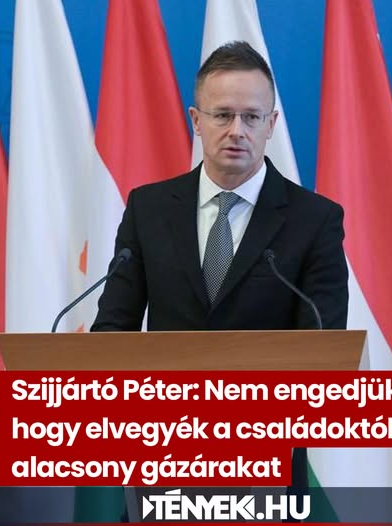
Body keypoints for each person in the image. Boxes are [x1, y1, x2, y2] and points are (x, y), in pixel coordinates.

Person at [92, 40, 348, 333]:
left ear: (271, 124)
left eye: (251, 117)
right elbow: (112, 329)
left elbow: (324, 342)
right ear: (196, 121)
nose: (237, 131)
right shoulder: (148, 209)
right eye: (223, 115)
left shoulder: (315, 220)